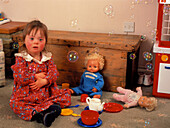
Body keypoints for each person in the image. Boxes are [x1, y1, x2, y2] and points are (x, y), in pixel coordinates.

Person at [9, 20, 71, 127]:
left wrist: (45, 81)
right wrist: (34, 76)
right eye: (32, 39)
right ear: (24, 40)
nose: (36, 42)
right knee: (15, 104)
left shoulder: (47, 57)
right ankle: (40, 115)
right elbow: (19, 76)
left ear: (45, 42)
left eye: (40, 39)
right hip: (27, 95)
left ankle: (48, 108)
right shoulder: (21, 58)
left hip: (45, 93)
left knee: (66, 96)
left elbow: (54, 72)